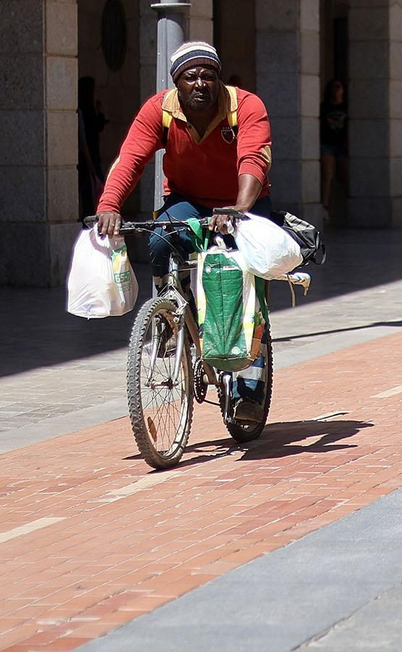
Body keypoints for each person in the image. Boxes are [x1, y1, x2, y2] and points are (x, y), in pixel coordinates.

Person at [95, 42, 272, 419]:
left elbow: (254, 158)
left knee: (243, 285)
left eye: (208, 76)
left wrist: (239, 207)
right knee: (161, 238)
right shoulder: (159, 110)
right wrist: (109, 205)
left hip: (242, 201)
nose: (200, 84)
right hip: (187, 199)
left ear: (219, 79)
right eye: (190, 77)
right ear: (177, 82)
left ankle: (249, 390)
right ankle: (170, 309)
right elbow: (131, 159)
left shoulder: (245, 106)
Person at [78, 76, 108, 219]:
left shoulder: (88, 108)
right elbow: (84, 138)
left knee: (94, 190)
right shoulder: (84, 110)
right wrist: (89, 162)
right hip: (88, 157)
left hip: (93, 155)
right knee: (90, 191)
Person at [320, 78, 348, 220]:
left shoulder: (347, 107)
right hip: (328, 145)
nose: (335, 90)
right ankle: (325, 206)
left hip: (343, 146)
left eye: (338, 86)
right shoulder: (324, 107)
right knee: (328, 175)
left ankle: (347, 205)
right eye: (333, 87)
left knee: (346, 176)